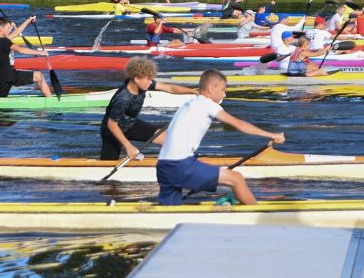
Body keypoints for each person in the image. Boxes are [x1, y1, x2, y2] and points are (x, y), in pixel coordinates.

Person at [156, 69, 285, 205]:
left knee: (171, 208)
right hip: (180, 165)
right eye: (223, 89)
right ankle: (259, 216)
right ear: (211, 89)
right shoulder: (207, 105)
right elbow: (239, 124)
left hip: (163, 165)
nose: (224, 94)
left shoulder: (188, 104)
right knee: (236, 179)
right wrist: (272, 135)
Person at [100, 57, 197, 160]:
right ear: (137, 78)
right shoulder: (122, 99)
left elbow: (170, 88)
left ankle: (174, 165)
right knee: (107, 164)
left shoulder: (142, 84)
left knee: (168, 139)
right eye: (148, 79)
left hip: (131, 125)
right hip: (113, 132)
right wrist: (128, 146)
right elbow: (112, 124)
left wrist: (195, 92)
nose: (151, 82)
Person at [0, 16, 52, 98]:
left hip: (11, 74)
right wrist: (41, 53)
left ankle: (50, 99)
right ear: (1, 28)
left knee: (39, 76)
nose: (10, 30)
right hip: (6, 77)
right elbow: (21, 50)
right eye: (8, 28)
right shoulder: (4, 42)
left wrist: (28, 21)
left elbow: (16, 33)